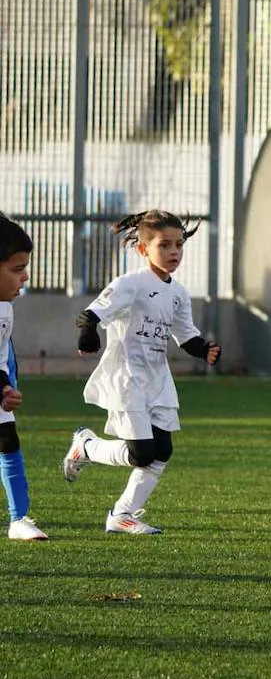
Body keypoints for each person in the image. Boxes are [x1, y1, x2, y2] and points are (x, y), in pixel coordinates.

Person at [62, 210, 220, 534]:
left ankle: (123, 514)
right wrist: (88, 332)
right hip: (128, 377)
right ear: (143, 249)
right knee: (141, 453)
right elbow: (91, 314)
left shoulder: (178, 293)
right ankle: (86, 446)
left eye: (179, 245)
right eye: (165, 245)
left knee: (162, 450)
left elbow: (185, 334)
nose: (174, 252)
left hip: (158, 378)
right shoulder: (130, 284)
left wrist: (203, 349)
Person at [0, 213, 44, 541]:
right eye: (17, 270)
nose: (25, 278)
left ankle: (19, 519)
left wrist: (5, 385)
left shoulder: (5, 308)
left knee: (8, 440)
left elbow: (1, 357)